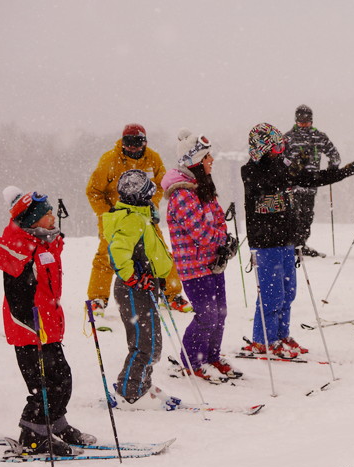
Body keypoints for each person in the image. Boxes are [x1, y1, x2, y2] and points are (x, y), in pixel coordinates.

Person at [0, 187, 95, 455]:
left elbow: (51, 252)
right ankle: (33, 432)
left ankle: (54, 422)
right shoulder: (20, 247)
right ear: (33, 221)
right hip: (29, 327)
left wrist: (53, 236)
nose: (53, 216)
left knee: (62, 379)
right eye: (47, 214)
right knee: (44, 384)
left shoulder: (46, 241)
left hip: (49, 326)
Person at [241, 123, 354, 357]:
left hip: (287, 239)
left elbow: (311, 178)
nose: (281, 148)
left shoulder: (282, 166)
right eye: (276, 145)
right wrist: (291, 171)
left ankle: (281, 335)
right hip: (266, 242)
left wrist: (344, 171)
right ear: (266, 147)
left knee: (288, 292)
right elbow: (271, 183)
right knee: (271, 294)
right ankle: (263, 339)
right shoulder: (251, 170)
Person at [161, 129, 243, 380]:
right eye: (207, 157)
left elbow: (217, 220)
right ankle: (192, 361)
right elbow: (201, 233)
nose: (212, 160)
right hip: (194, 267)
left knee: (220, 312)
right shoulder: (182, 194)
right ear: (195, 161)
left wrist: (224, 241)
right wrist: (220, 240)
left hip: (212, 263)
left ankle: (212, 357)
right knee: (206, 314)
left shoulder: (203, 189)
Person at [86, 123, 192, 317]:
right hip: (118, 219)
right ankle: (97, 299)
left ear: (145, 142)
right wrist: (107, 213)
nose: (132, 147)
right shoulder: (109, 160)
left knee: (160, 253)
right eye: (128, 142)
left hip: (145, 218)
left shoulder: (153, 158)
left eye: (137, 142)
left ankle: (172, 295)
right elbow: (93, 191)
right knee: (106, 256)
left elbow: (162, 185)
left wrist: (151, 204)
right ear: (122, 142)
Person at [104, 169, 180, 410]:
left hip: (146, 286)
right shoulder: (132, 219)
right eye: (149, 194)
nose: (152, 198)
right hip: (134, 289)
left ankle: (142, 384)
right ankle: (129, 392)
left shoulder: (140, 216)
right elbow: (117, 252)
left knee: (152, 343)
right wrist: (133, 277)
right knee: (144, 344)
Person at [284, 104, 341, 257]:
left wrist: (332, 169)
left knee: (307, 216)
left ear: (311, 120)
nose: (304, 125)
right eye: (301, 122)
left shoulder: (319, 136)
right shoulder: (288, 137)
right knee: (293, 215)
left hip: (311, 186)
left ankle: (301, 245)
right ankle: (292, 246)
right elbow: (280, 160)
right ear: (296, 120)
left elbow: (334, 154)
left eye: (307, 121)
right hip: (293, 186)